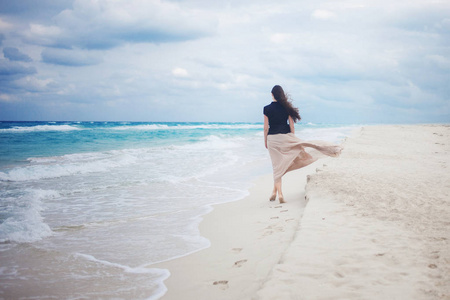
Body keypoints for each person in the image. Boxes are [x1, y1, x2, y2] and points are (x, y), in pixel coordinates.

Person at [264, 85, 342, 203]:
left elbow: (266, 128)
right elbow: (292, 125)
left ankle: (279, 194)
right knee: (279, 167)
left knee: (276, 166)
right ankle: (275, 192)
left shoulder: (266, 108)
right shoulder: (286, 108)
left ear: (272, 94)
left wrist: (265, 140)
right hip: (285, 138)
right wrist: (293, 139)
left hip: (272, 140)